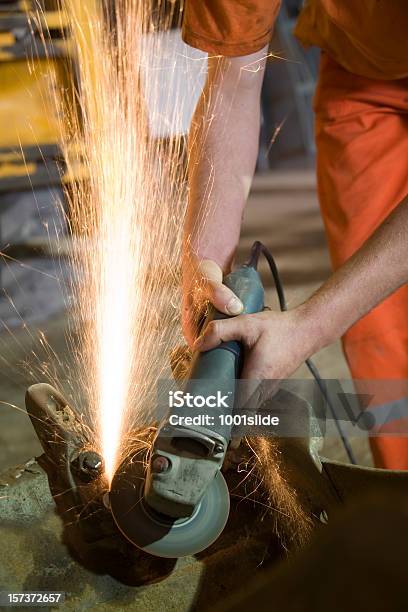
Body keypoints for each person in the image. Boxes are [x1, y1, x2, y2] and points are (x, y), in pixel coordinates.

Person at [181, 1, 408, 469]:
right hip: (364, 72)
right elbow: (233, 80)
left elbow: (318, 322)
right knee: (377, 327)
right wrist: (203, 263)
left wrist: (310, 327)